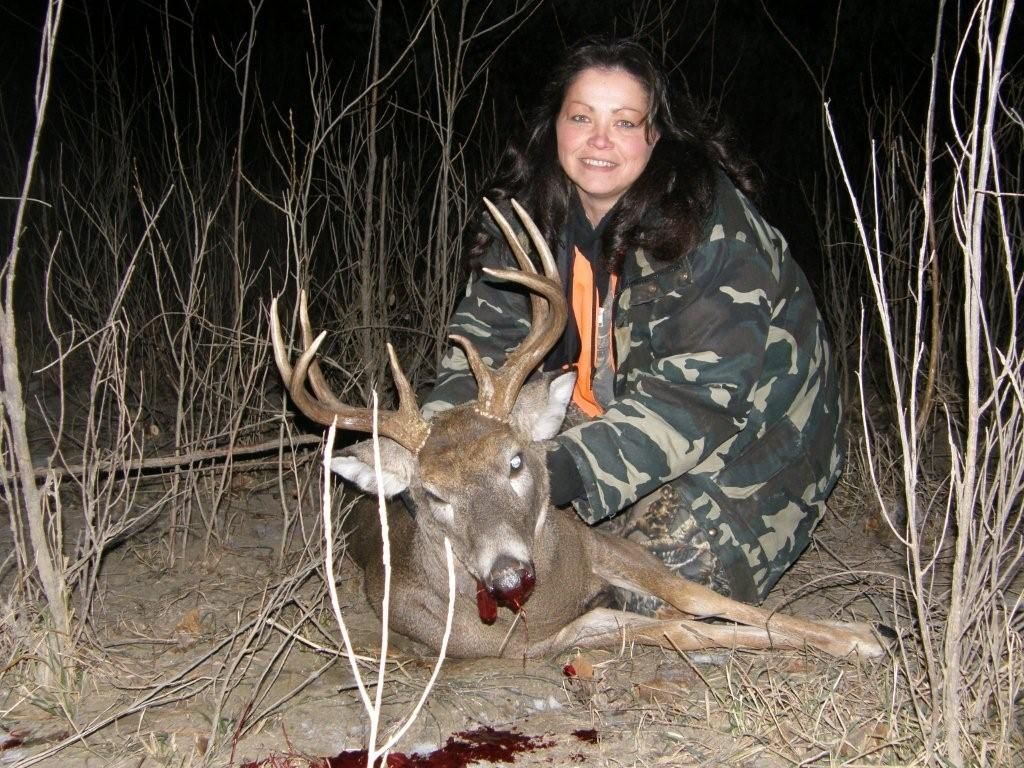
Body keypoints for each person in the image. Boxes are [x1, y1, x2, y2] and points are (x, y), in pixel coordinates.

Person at [422, 38, 843, 610]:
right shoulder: (528, 218)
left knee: (622, 594)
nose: (600, 140)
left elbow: (695, 402)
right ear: (554, 128)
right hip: (598, 415)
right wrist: (437, 450)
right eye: (581, 118)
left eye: (624, 122)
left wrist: (561, 469)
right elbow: (479, 349)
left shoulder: (709, 231)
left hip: (751, 448)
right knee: (480, 549)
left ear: (656, 136)